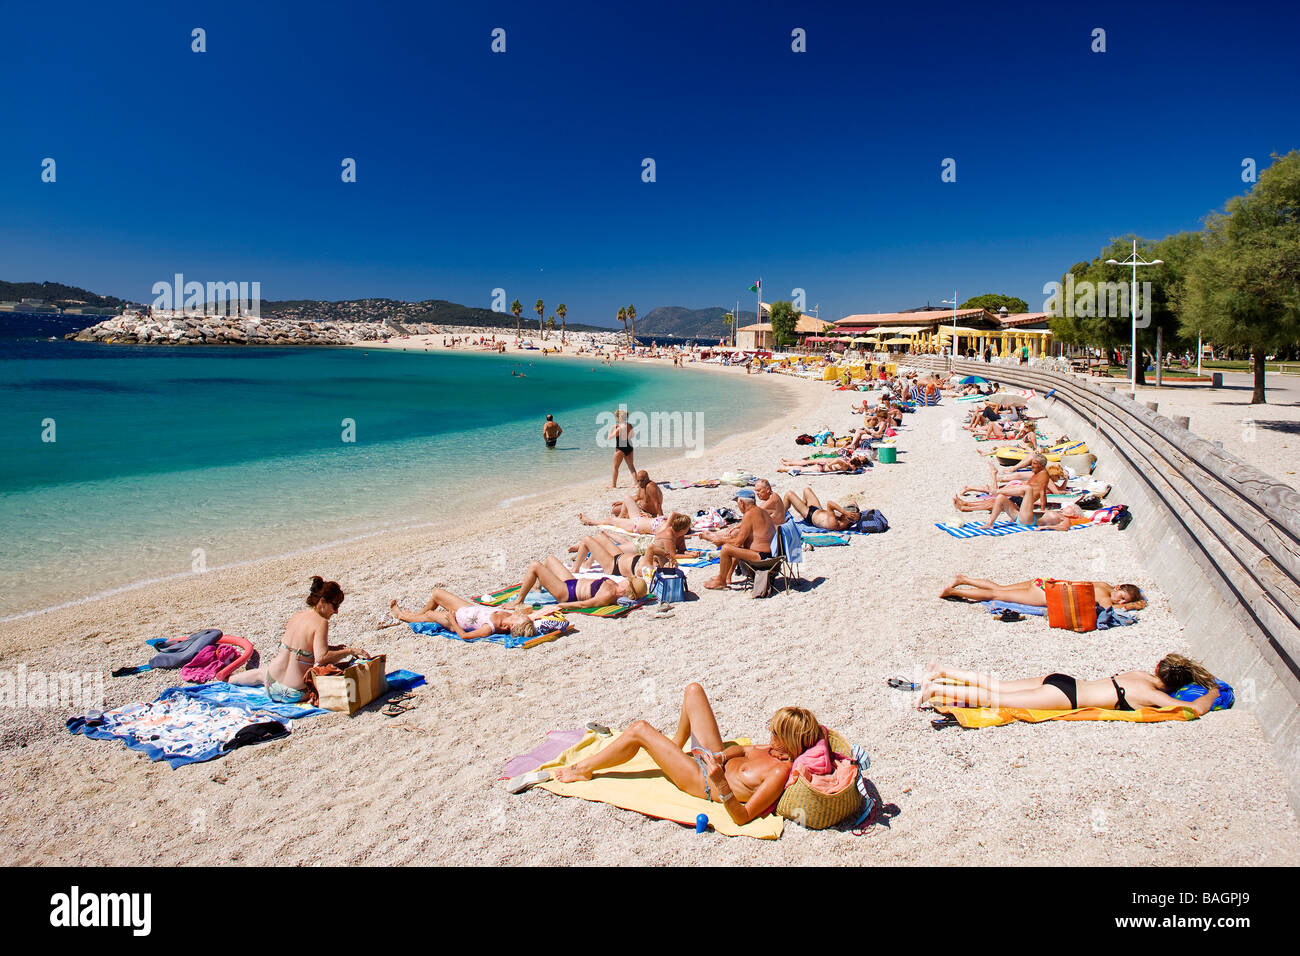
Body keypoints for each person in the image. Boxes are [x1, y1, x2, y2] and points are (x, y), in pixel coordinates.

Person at [511, 683, 822, 827]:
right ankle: (675, 743)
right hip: (712, 760)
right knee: (693, 691)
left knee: (640, 729)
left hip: (702, 781)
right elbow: (743, 748)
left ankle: (584, 769)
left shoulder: (779, 772)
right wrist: (725, 758)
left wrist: (721, 783)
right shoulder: (772, 749)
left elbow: (742, 818)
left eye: (774, 731)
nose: (767, 734)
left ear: (789, 740)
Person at [916, 654, 1221, 715]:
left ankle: (941, 670)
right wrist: (1213, 693)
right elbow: (1193, 708)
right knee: (996, 699)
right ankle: (937, 691)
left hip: (1064, 680)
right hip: (1068, 697)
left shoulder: (1140, 676)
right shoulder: (1150, 694)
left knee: (999, 685)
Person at [230, 577, 367, 702]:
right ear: (323, 601)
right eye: (335, 605)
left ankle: (229, 679)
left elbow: (303, 648)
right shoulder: (321, 622)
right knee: (330, 675)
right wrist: (349, 651)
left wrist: (335, 649)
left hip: (271, 684)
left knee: (262, 671)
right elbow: (322, 657)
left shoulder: (296, 616)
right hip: (295, 693)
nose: (336, 611)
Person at [390, 587, 540, 641]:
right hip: (468, 609)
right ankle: (415, 615)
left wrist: (452, 621)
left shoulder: (490, 628)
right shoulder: (509, 617)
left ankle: (402, 616)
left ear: (511, 627)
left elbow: (465, 636)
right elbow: (534, 617)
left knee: (430, 614)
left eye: (521, 618)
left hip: (456, 621)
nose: (521, 615)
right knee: (437, 593)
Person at [699, 489, 777, 590]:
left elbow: (737, 542)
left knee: (727, 549)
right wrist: (719, 538)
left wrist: (721, 541)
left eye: (737, 503)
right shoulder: (761, 511)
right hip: (773, 555)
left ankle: (721, 581)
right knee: (735, 538)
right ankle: (725, 576)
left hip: (763, 557)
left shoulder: (749, 514)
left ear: (741, 502)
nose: (738, 506)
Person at [508, 555, 649, 610]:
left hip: (566, 593)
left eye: (629, 581)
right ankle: (537, 588)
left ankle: (518, 601)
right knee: (550, 559)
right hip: (572, 583)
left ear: (627, 589)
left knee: (535, 566)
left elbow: (583, 604)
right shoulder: (614, 584)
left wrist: (559, 606)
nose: (626, 579)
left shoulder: (608, 594)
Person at [939, 574, 1147, 611]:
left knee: (1000, 588)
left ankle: (963, 579)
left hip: (1045, 582)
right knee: (997, 595)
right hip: (1047, 595)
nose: (1119, 601)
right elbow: (1109, 609)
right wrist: (1132, 605)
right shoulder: (1104, 595)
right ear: (1119, 589)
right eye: (1121, 597)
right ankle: (955, 592)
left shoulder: (1103, 584)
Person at [782, 487, 860, 530]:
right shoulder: (847, 522)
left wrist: (844, 512)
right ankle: (801, 512)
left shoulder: (834, 523)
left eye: (845, 513)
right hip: (818, 509)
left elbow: (829, 503)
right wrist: (853, 512)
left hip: (809, 515)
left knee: (789, 494)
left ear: (847, 517)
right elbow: (853, 502)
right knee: (807, 490)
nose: (842, 512)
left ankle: (780, 519)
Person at [608, 408, 636, 488]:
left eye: (616, 417)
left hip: (620, 448)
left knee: (615, 467)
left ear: (619, 418)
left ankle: (613, 485)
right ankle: (636, 484)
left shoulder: (619, 429)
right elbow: (633, 435)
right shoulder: (629, 425)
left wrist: (612, 428)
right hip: (629, 445)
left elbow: (609, 438)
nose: (616, 419)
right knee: (631, 466)